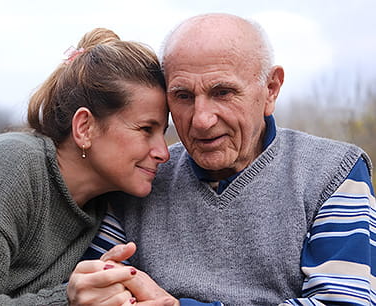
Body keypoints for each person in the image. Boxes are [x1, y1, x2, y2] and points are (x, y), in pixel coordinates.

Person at [70, 13, 375, 306]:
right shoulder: (143, 175)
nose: (201, 120)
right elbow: (98, 283)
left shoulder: (333, 172)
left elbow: (343, 301)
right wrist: (91, 290)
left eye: (223, 92)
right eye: (183, 96)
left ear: (270, 89)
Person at [0, 27, 172, 305]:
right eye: (146, 129)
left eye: (163, 132)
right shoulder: (9, 169)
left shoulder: (96, 207)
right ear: (84, 127)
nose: (163, 153)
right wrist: (69, 300)